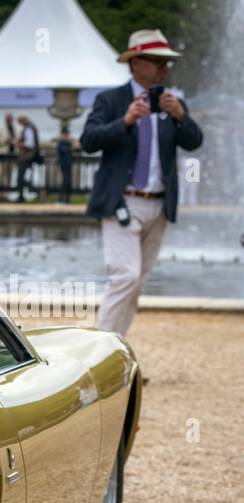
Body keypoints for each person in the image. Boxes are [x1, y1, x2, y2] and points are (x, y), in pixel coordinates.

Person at [83, 28, 203, 338]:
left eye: (168, 62)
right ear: (135, 63)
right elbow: (88, 141)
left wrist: (181, 118)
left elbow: (194, 142)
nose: (165, 67)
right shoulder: (110, 100)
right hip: (122, 201)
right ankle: (100, 354)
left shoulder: (171, 101)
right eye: (158, 60)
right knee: (125, 276)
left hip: (159, 205)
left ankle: (118, 354)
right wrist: (124, 122)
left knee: (136, 284)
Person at [15, 114, 41, 201]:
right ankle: (23, 194)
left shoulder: (29, 129)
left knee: (20, 177)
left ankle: (33, 190)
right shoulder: (31, 127)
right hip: (29, 156)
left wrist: (19, 144)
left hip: (27, 156)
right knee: (20, 177)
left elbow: (30, 144)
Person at [54, 122, 77, 205]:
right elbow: (63, 150)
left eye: (67, 134)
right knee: (65, 182)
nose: (67, 136)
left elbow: (77, 150)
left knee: (68, 182)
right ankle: (61, 199)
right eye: (65, 134)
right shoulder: (61, 143)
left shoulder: (68, 142)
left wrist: (76, 146)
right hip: (64, 164)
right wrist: (72, 147)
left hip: (69, 164)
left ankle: (67, 199)